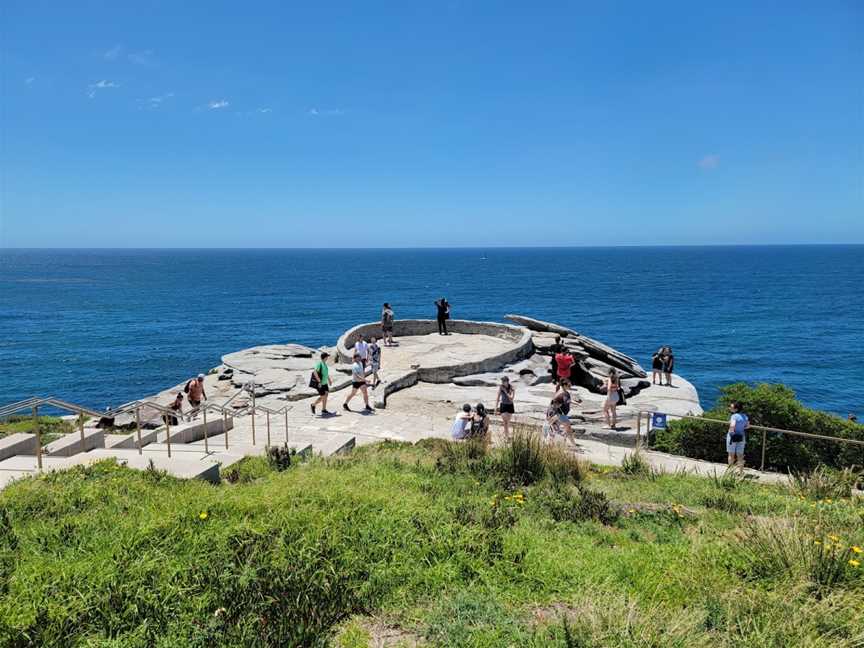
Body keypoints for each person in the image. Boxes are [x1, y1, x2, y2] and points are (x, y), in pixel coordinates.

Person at [310, 351, 334, 416]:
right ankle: (313, 405)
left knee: (326, 395)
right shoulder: (319, 364)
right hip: (320, 384)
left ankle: (324, 409)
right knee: (323, 396)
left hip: (325, 383)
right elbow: (315, 372)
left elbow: (326, 373)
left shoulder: (324, 364)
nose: (328, 358)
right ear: (325, 357)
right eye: (327, 357)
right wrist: (319, 381)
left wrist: (329, 380)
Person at [727, 400, 749, 468]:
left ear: (736, 409)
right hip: (741, 437)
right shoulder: (745, 416)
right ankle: (741, 472)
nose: (730, 408)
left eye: (731, 407)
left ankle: (730, 472)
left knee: (731, 455)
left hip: (732, 437)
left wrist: (731, 432)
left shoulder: (734, 416)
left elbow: (732, 426)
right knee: (740, 455)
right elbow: (748, 426)